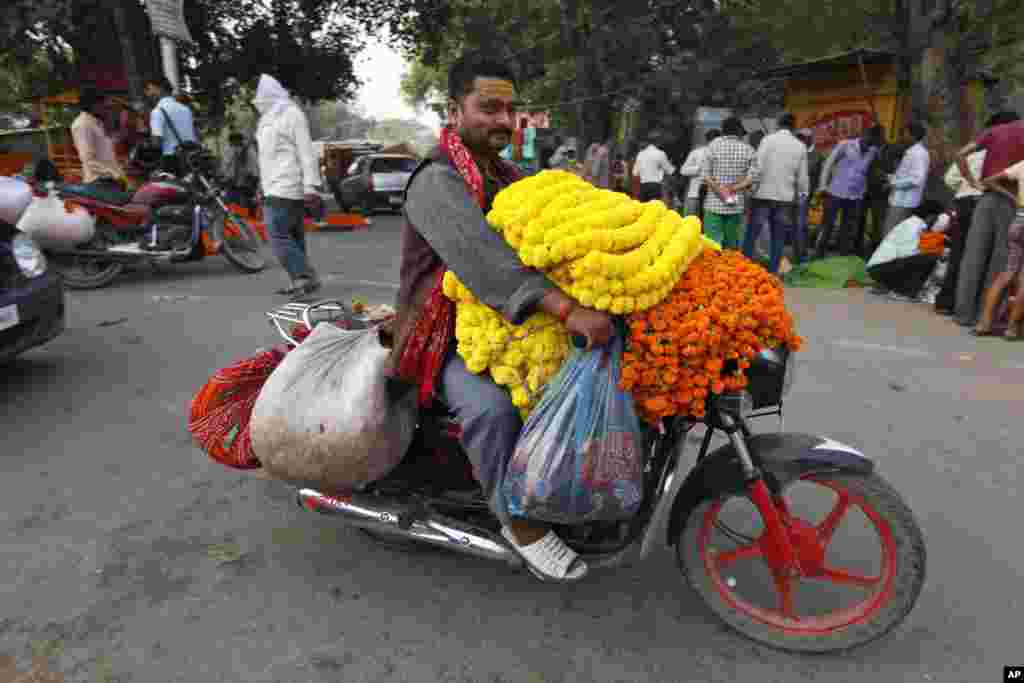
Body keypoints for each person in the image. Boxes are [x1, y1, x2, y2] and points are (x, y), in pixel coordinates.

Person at [391, 54, 614, 582]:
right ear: (454, 109)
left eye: (510, 110)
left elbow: (552, 227)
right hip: (440, 330)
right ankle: (518, 522)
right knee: (491, 409)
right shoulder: (436, 181)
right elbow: (486, 264)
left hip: (502, 322)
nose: (502, 121)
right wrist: (566, 308)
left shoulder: (507, 174)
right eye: (488, 107)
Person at [253, 74, 323, 297]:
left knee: (278, 235)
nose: (258, 101)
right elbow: (266, 158)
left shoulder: (291, 114)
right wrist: (261, 187)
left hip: (287, 184)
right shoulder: (266, 120)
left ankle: (305, 276)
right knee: (293, 236)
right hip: (272, 185)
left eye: (261, 96)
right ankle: (298, 281)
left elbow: (306, 151)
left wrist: (311, 185)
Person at [953, 111, 1024, 327]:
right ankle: (986, 317)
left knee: (973, 257)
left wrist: (972, 181)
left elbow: (959, 154)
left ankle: (963, 313)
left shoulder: (995, 131)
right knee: (1002, 262)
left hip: (986, 198)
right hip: (1012, 201)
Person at [935, 121, 993, 315]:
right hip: (982, 202)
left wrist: (963, 187)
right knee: (979, 254)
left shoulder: (971, 155)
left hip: (962, 203)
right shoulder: (997, 156)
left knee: (958, 251)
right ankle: (970, 304)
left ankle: (945, 302)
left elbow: (949, 179)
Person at [743, 113, 809, 274]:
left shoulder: (768, 140)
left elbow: (757, 167)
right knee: (778, 237)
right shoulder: (800, 146)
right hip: (784, 198)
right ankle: (773, 272)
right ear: (794, 127)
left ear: (779, 124)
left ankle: (742, 269)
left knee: (752, 234)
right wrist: (803, 194)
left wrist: (749, 186)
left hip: (763, 195)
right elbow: (802, 177)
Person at [814, 124, 884, 260]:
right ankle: (818, 255)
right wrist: (823, 186)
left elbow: (872, 170)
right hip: (835, 192)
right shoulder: (845, 145)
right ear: (865, 135)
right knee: (827, 225)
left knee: (847, 229)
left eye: (873, 143)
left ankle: (842, 259)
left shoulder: (873, 151)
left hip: (855, 196)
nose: (870, 145)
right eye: (870, 141)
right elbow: (828, 163)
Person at [972, 159, 1024, 338]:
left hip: (1018, 221)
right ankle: (1012, 328)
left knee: (1006, 274)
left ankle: (984, 322)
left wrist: (1015, 198)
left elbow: (989, 180)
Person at [700, 116, 759, 249]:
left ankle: (711, 269)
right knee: (731, 248)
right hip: (735, 207)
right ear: (738, 131)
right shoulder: (748, 149)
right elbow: (753, 177)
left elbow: (705, 175)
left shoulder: (712, 146)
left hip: (713, 205)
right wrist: (734, 188)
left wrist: (719, 190)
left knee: (711, 246)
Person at [70, 86, 126, 186]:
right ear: (93, 105)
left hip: (110, 179)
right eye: (103, 103)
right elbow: (88, 159)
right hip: (100, 181)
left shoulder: (96, 122)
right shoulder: (82, 125)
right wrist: (115, 175)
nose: (106, 106)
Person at [882, 121, 930, 238]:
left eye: (905, 133)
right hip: (900, 200)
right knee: (892, 235)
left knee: (890, 236)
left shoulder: (918, 153)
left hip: (903, 202)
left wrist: (892, 184)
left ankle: (889, 257)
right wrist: (888, 177)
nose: (903, 136)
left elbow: (916, 179)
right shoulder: (912, 151)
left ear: (912, 135)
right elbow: (906, 175)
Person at [144, 77, 197, 177]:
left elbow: (156, 143)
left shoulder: (158, 111)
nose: (147, 94)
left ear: (159, 88)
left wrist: (148, 143)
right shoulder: (185, 109)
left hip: (171, 162)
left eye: (149, 89)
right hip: (190, 160)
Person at [679, 129, 720, 217]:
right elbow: (683, 170)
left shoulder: (721, 154)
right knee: (692, 220)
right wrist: (699, 168)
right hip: (695, 193)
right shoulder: (697, 152)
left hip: (714, 195)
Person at [222, 132, 260, 211]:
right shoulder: (229, 150)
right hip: (235, 186)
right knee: (235, 208)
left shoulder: (248, 150)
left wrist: (253, 180)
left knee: (243, 208)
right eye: (232, 142)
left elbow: (253, 168)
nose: (233, 144)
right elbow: (226, 167)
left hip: (244, 186)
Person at [633, 133, 676, 201]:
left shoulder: (640, 154)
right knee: (654, 209)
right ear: (657, 141)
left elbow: (635, 173)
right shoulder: (660, 154)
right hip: (655, 187)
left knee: (644, 209)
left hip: (643, 187)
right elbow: (670, 170)